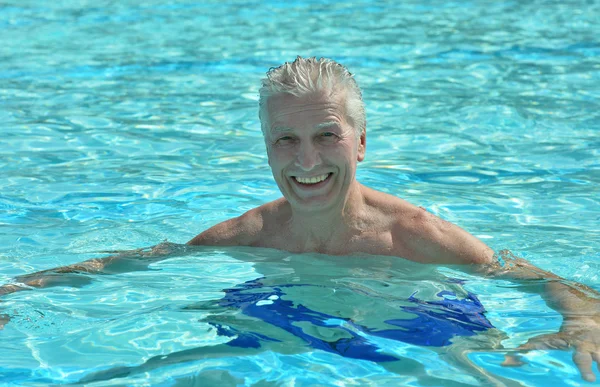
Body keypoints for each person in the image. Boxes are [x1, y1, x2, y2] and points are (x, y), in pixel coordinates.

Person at [1, 57, 599, 382]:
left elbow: (530, 275)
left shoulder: (417, 238)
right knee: (160, 371)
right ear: (266, 148)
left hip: (416, 316)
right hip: (286, 313)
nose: (306, 161)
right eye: (285, 139)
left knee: (477, 373)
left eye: (326, 136)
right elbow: (138, 261)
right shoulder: (250, 235)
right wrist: (21, 289)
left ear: (361, 144)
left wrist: (584, 319)